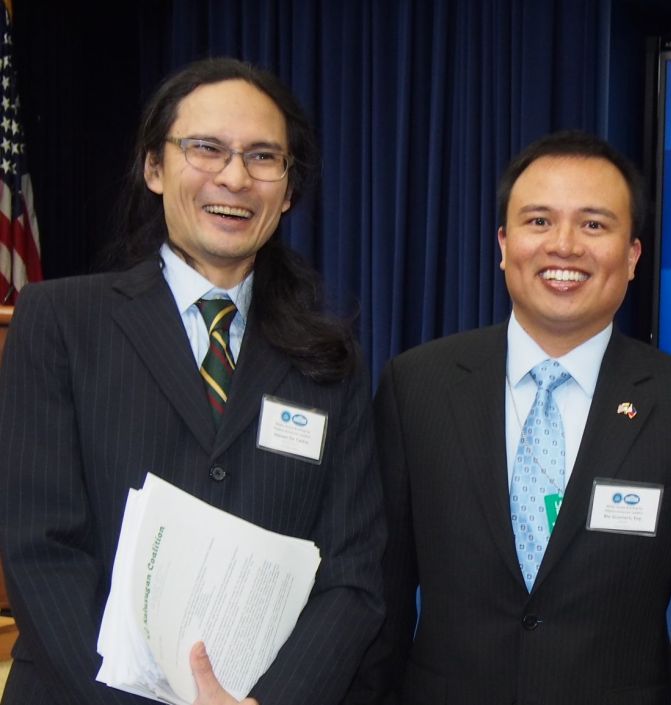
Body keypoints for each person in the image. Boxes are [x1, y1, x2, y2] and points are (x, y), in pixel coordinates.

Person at [0, 58, 385, 705]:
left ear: (288, 189)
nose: (235, 177)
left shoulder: (329, 360)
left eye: (263, 156)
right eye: (206, 148)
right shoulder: (60, 322)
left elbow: (353, 572)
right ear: (154, 167)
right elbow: (41, 549)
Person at [351, 131, 671, 705]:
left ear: (632, 256)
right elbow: (379, 600)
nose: (564, 246)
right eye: (539, 221)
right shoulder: (416, 386)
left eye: (594, 225)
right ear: (503, 244)